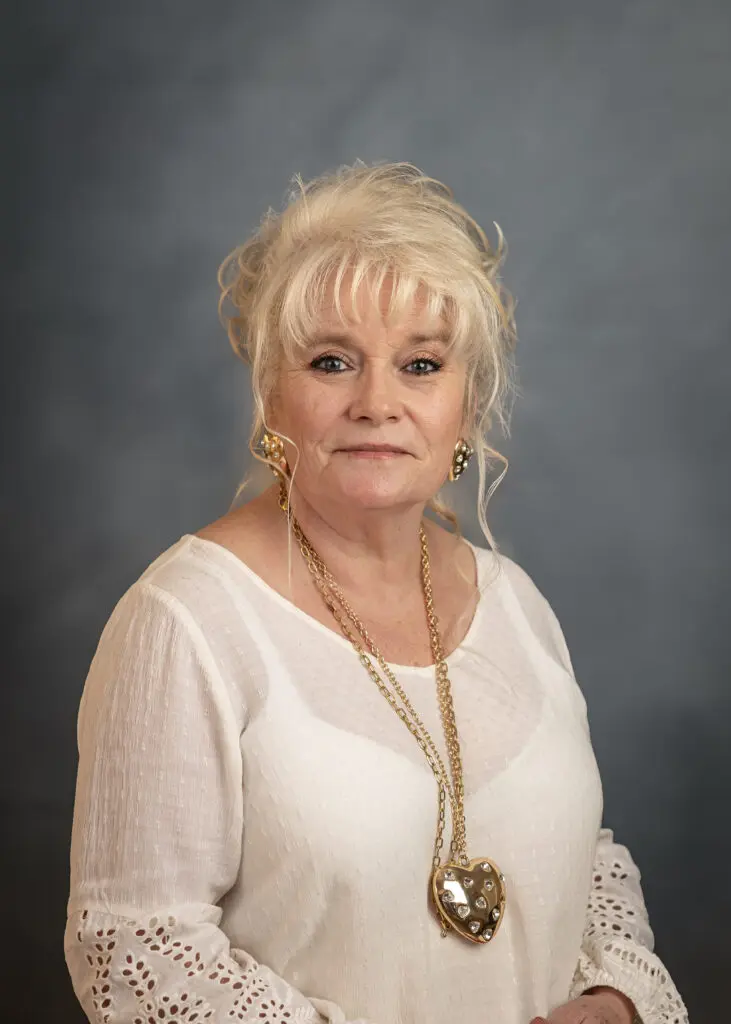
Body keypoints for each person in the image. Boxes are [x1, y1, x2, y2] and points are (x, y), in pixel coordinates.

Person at [63, 161, 689, 1024]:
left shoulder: (514, 602)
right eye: (331, 362)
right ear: (271, 395)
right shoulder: (186, 621)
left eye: (420, 364)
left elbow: (583, 857)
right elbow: (137, 950)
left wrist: (614, 1000)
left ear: (466, 405)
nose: (376, 402)